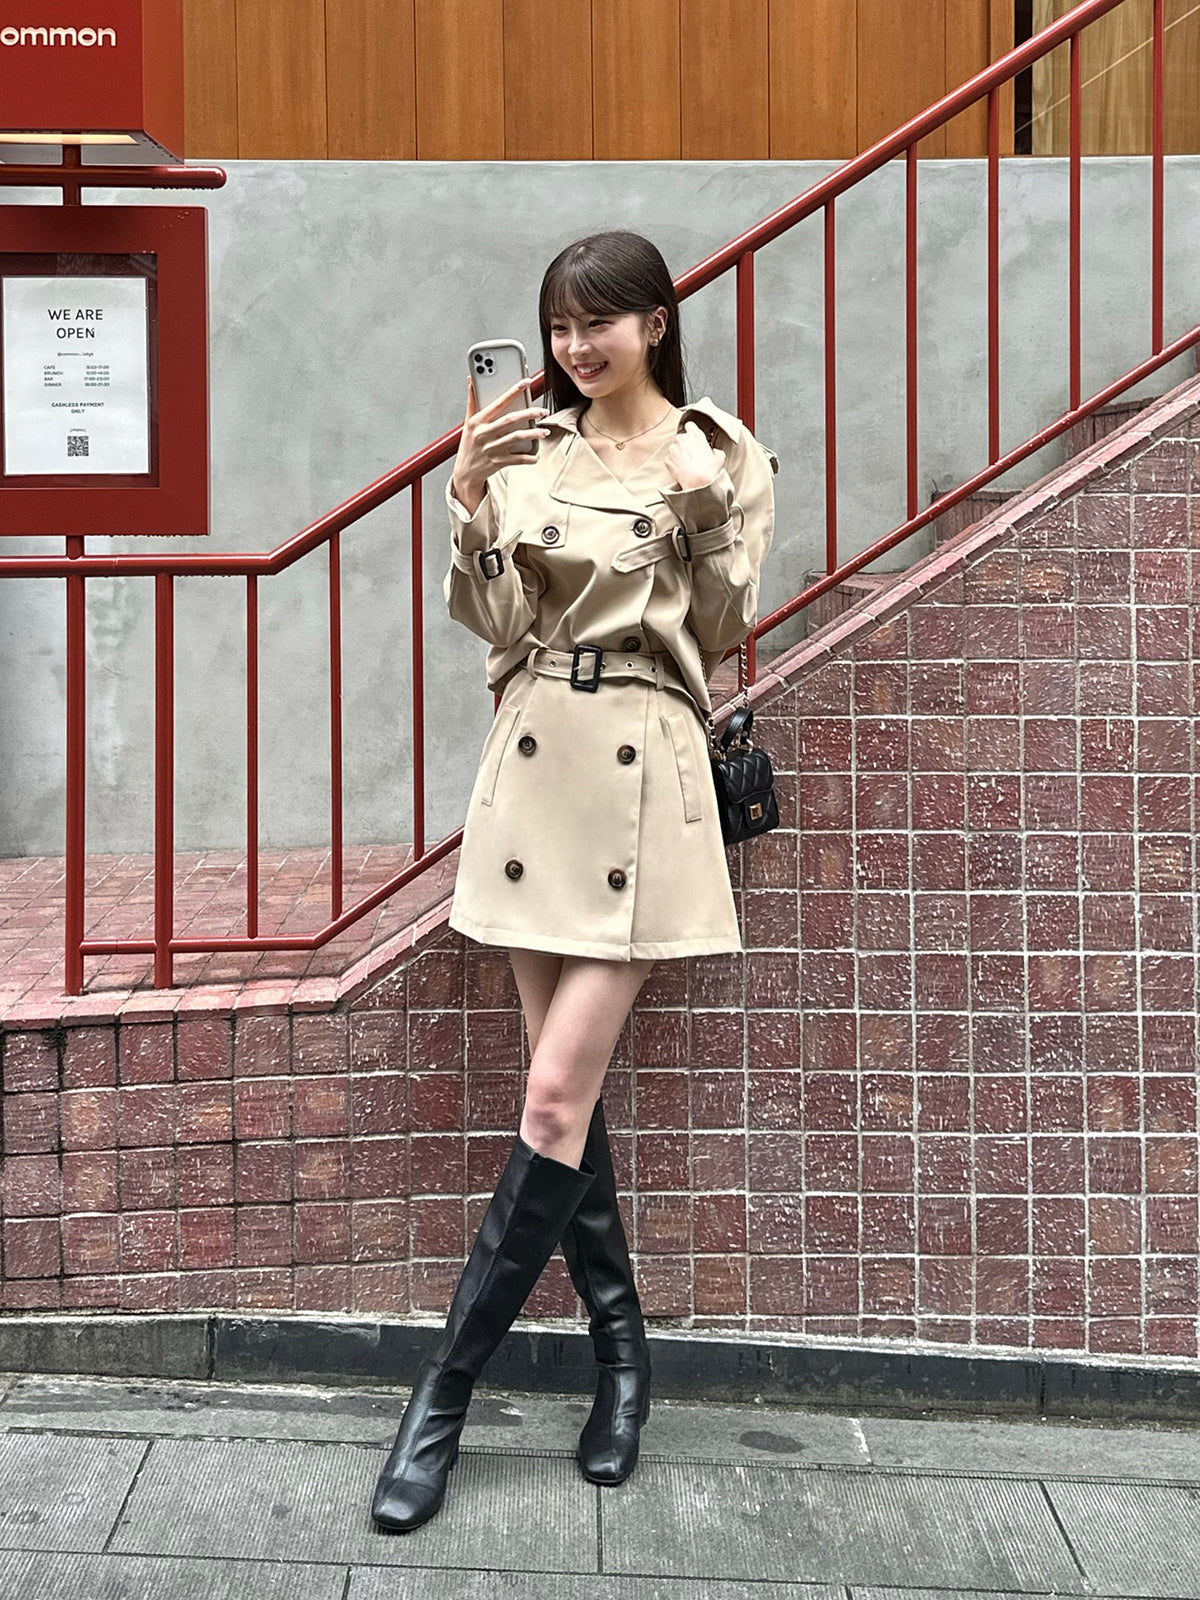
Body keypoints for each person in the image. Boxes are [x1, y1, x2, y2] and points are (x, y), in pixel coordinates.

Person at [371, 229, 777, 1532]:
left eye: (599, 321)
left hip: (643, 775)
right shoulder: (532, 449)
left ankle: (441, 1400)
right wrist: (468, 505)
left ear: (656, 323)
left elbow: (722, 624)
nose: (574, 346)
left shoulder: (716, 452)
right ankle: (623, 1362)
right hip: (536, 762)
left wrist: (699, 511)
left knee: (552, 1093)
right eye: (558, 325)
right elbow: (494, 624)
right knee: (568, 1099)